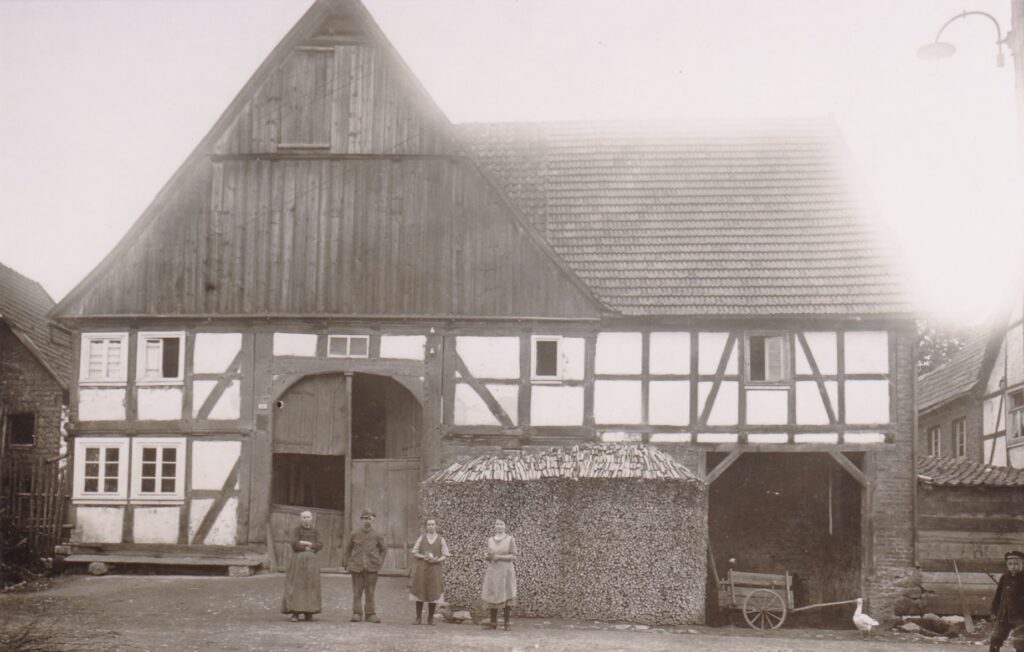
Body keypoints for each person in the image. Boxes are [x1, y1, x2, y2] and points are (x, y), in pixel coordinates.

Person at [343, 508, 387, 623]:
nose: (367, 521)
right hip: (357, 567)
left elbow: (383, 549)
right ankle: (357, 613)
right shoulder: (354, 533)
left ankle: (370, 614)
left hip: (372, 567)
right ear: (361, 520)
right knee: (357, 591)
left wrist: (379, 561)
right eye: (365, 518)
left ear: (373, 520)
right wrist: (347, 563)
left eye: (370, 519)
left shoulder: (377, 534)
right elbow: (347, 549)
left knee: (370, 591)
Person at [281, 510, 323, 622]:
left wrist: (307, 543)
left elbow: (319, 544)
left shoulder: (316, 531)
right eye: (304, 517)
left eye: (308, 517)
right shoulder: (296, 530)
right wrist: (307, 547)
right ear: (301, 519)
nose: (306, 519)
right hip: (298, 561)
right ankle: (295, 613)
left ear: (311, 518)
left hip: (312, 562)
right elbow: (294, 544)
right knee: (297, 585)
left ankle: (309, 613)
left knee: (310, 585)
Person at [409, 517, 450, 625]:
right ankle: (418, 618)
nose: (430, 526)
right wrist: (423, 557)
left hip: (435, 569)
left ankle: (430, 618)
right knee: (420, 591)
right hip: (422, 569)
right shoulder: (422, 538)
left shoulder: (441, 539)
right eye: (428, 525)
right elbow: (414, 552)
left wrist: (437, 559)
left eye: (432, 524)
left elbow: (445, 554)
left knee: (433, 592)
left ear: (436, 526)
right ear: (426, 527)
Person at [480, 517, 518, 631]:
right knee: (493, 593)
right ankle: (493, 622)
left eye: (501, 524)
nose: (499, 526)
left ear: (505, 526)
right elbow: (489, 555)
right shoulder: (490, 540)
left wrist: (499, 557)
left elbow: (514, 556)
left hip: (506, 571)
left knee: (506, 594)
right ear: (494, 526)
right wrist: (488, 557)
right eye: (497, 524)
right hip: (493, 570)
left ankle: (506, 623)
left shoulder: (510, 539)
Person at [990, 550, 1024, 652]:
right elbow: (998, 595)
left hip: (1021, 617)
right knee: (995, 638)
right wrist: (994, 610)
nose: (1013, 566)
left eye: (1016, 564)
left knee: (1020, 642)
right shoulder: (1004, 578)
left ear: (1022, 563)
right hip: (1004, 615)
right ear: (1007, 565)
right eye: (1010, 564)